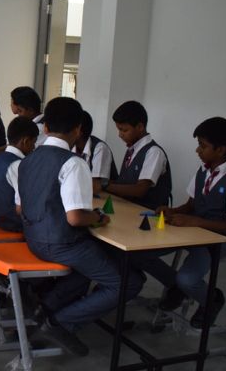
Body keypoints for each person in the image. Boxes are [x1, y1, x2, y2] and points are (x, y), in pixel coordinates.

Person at [16, 97, 144, 356]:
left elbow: (22, 206)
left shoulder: (28, 158)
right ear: (77, 130)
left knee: (91, 267)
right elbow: (75, 218)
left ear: (45, 127)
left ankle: (44, 309)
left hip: (33, 238)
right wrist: (97, 217)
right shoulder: (73, 163)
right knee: (128, 282)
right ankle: (60, 323)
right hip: (61, 244)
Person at [132, 117, 226, 328]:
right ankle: (177, 287)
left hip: (218, 239)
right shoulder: (203, 171)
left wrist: (194, 221)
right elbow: (190, 205)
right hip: (192, 232)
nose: (197, 150)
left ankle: (211, 300)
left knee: (188, 279)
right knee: (139, 254)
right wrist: (172, 211)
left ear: (220, 150)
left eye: (203, 146)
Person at [104, 101, 172, 210]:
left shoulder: (154, 152)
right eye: (119, 129)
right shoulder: (132, 150)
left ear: (140, 127)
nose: (120, 135)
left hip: (147, 214)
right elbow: (124, 183)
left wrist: (104, 185)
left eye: (124, 130)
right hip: (128, 208)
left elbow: (140, 190)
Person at [0, 116, 38, 231]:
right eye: (33, 143)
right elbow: (22, 207)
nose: (34, 148)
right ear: (25, 141)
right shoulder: (18, 165)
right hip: (9, 223)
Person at [73, 111, 117, 195]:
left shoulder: (100, 148)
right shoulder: (72, 147)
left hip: (107, 198)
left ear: (78, 132)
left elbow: (95, 187)